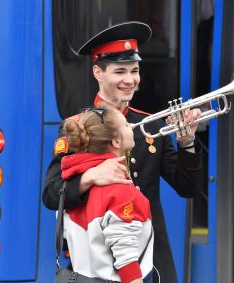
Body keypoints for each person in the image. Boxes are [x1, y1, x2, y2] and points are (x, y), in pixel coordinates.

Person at [43, 21, 203, 283]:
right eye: (120, 71)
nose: (130, 80)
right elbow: (51, 195)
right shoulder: (77, 126)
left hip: (151, 260)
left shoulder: (151, 124)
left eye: (135, 71)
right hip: (95, 265)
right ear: (98, 72)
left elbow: (188, 187)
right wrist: (89, 177)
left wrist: (187, 142)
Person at [61, 107, 153, 283]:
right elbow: (126, 261)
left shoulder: (71, 185)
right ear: (117, 142)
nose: (131, 126)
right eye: (126, 125)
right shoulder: (120, 190)